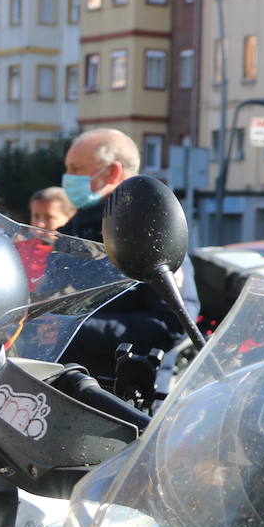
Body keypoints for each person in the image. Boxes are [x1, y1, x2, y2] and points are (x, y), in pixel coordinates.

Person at [59, 129, 189, 381]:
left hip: (122, 397)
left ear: (111, 173)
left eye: (76, 169)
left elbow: (168, 326)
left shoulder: (152, 235)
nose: (67, 178)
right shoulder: (71, 231)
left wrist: (72, 327)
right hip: (63, 385)